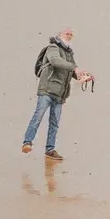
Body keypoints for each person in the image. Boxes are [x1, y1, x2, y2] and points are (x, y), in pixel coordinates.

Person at [22, 29, 93, 161]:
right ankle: (27, 142)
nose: (69, 36)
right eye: (67, 33)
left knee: (54, 123)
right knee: (38, 116)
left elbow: (71, 71)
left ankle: (50, 150)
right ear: (59, 35)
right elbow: (55, 61)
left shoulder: (69, 53)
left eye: (71, 34)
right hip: (47, 89)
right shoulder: (53, 47)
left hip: (60, 94)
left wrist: (82, 77)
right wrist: (74, 68)